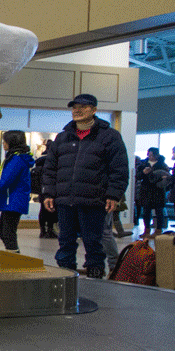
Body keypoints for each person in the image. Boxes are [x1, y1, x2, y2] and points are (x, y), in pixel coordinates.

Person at [42, 94, 129, 279]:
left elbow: (119, 169)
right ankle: (64, 277)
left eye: (83, 106)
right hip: (65, 200)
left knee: (93, 243)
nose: (77, 110)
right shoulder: (63, 137)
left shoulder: (109, 136)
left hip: (93, 200)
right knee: (65, 242)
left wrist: (114, 195)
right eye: (74, 107)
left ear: (94, 110)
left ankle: (95, 276)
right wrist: (48, 193)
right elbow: (50, 168)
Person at [135, 146, 169, 235]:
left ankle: (158, 230)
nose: (150, 157)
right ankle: (147, 230)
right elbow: (137, 176)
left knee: (159, 211)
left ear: (157, 155)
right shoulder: (144, 164)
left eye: (152, 155)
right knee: (146, 211)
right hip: (146, 190)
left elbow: (166, 178)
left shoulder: (162, 165)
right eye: (149, 155)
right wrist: (143, 172)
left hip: (158, 190)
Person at [32, 140, 57, 238]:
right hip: (51, 188)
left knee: (42, 209)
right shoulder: (53, 159)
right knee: (51, 209)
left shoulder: (40, 159)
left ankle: (42, 230)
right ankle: (50, 230)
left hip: (41, 188)